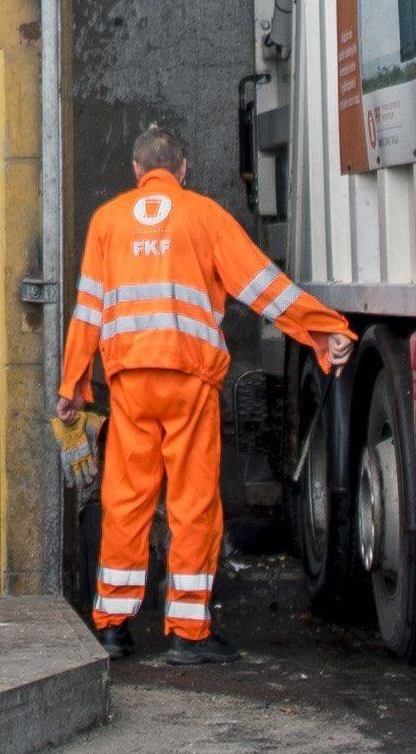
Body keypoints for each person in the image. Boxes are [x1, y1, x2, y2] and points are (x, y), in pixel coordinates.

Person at [58, 127, 357, 667]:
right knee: (191, 502)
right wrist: (322, 327)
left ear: (134, 169)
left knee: (125, 500)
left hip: (128, 381)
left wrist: (72, 386)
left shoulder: (106, 222)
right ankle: (187, 633)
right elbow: (262, 286)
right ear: (184, 168)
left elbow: (88, 310)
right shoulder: (204, 215)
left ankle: (112, 628)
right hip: (189, 380)